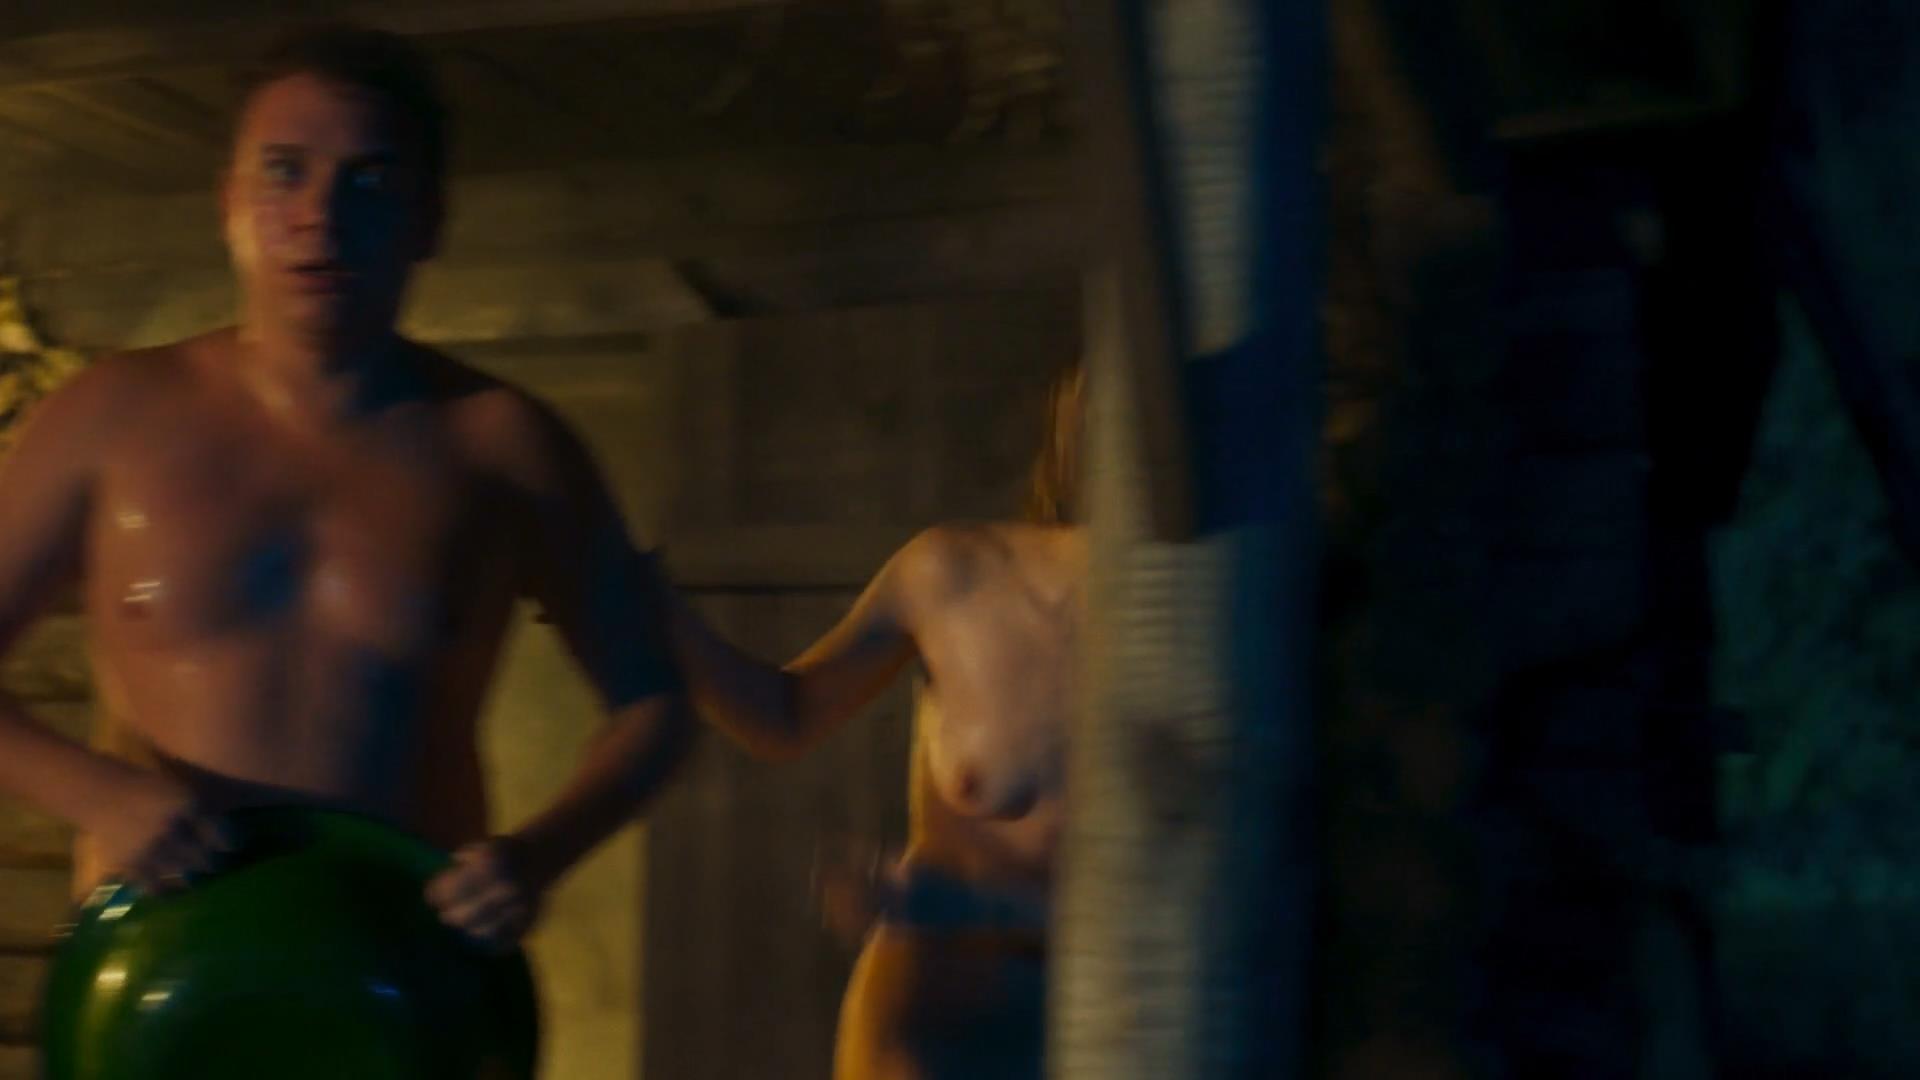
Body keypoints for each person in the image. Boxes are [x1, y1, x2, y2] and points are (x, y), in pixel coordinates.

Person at [0, 24, 689, 950]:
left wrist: (537, 857)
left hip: (402, 971)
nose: (319, 214)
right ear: (230, 201)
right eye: (284, 172)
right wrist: (96, 794)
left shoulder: (504, 444)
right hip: (159, 972)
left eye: (369, 180)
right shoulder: (108, 415)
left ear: (428, 220)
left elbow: (654, 704)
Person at [663, 366, 1085, 1079]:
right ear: (1071, 427)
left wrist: (969, 905)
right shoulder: (953, 574)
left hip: (1122, 1004)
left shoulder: (1207, 626)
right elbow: (786, 712)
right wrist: (651, 613)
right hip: (941, 1011)